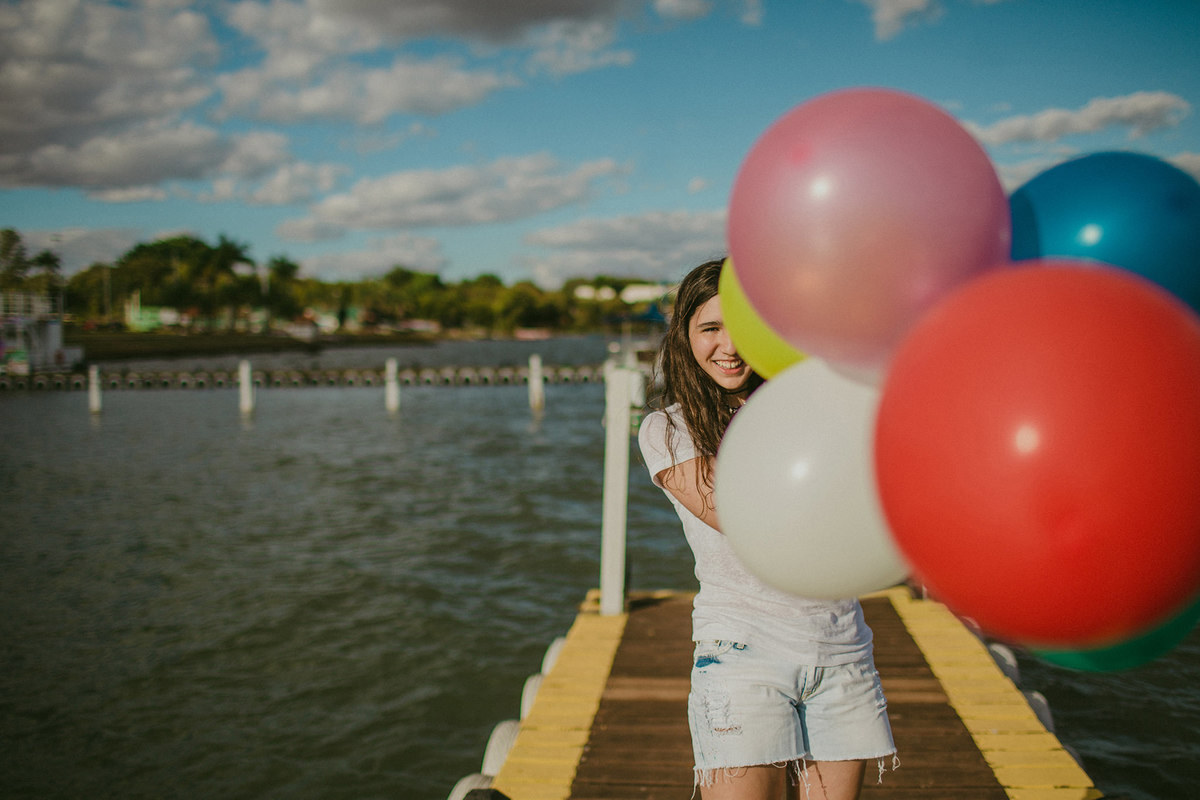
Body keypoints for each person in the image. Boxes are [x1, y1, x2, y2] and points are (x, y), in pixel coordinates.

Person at [637, 258, 895, 800]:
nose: (729, 346)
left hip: (841, 648)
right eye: (710, 329)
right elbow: (741, 517)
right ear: (684, 336)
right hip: (742, 653)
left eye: (744, 329)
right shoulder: (668, 428)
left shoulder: (818, 410)